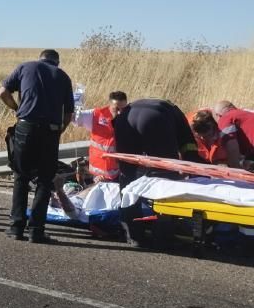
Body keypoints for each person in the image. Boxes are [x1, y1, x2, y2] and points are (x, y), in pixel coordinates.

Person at [0, 49, 74, 243]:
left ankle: (16, 227)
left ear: (40, 58)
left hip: (26, 127)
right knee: (44, 179)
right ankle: (36, 230)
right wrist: (58, 132)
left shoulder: (25, 67)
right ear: (56, 62)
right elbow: (68, 115)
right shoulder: (63, 76)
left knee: (21, 177)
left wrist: (17, 109)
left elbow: (2, 92)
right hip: (50, 131)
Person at [111, 98, 202, 246]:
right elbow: (189, 151)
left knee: (127, 178)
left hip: (124, 120)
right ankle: (163, 235)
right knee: (166, 178)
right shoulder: (178, 118)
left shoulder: (168, 110)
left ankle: (133, 235)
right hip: (155, 119)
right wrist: (190, 172)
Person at [73, 91, 128, 182]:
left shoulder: (129, 117)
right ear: (110, 105)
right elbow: (75, 118)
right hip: (98, 176)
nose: (120, 113)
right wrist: (75, 102)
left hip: (119, 174)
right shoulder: (96, 116)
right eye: (116, 109)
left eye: (123, 109)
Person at [211, 100, 254, 169]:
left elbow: (232, 148)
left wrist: (235, 167)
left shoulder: (225, 118)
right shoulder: (248, 113)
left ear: (218, 115)